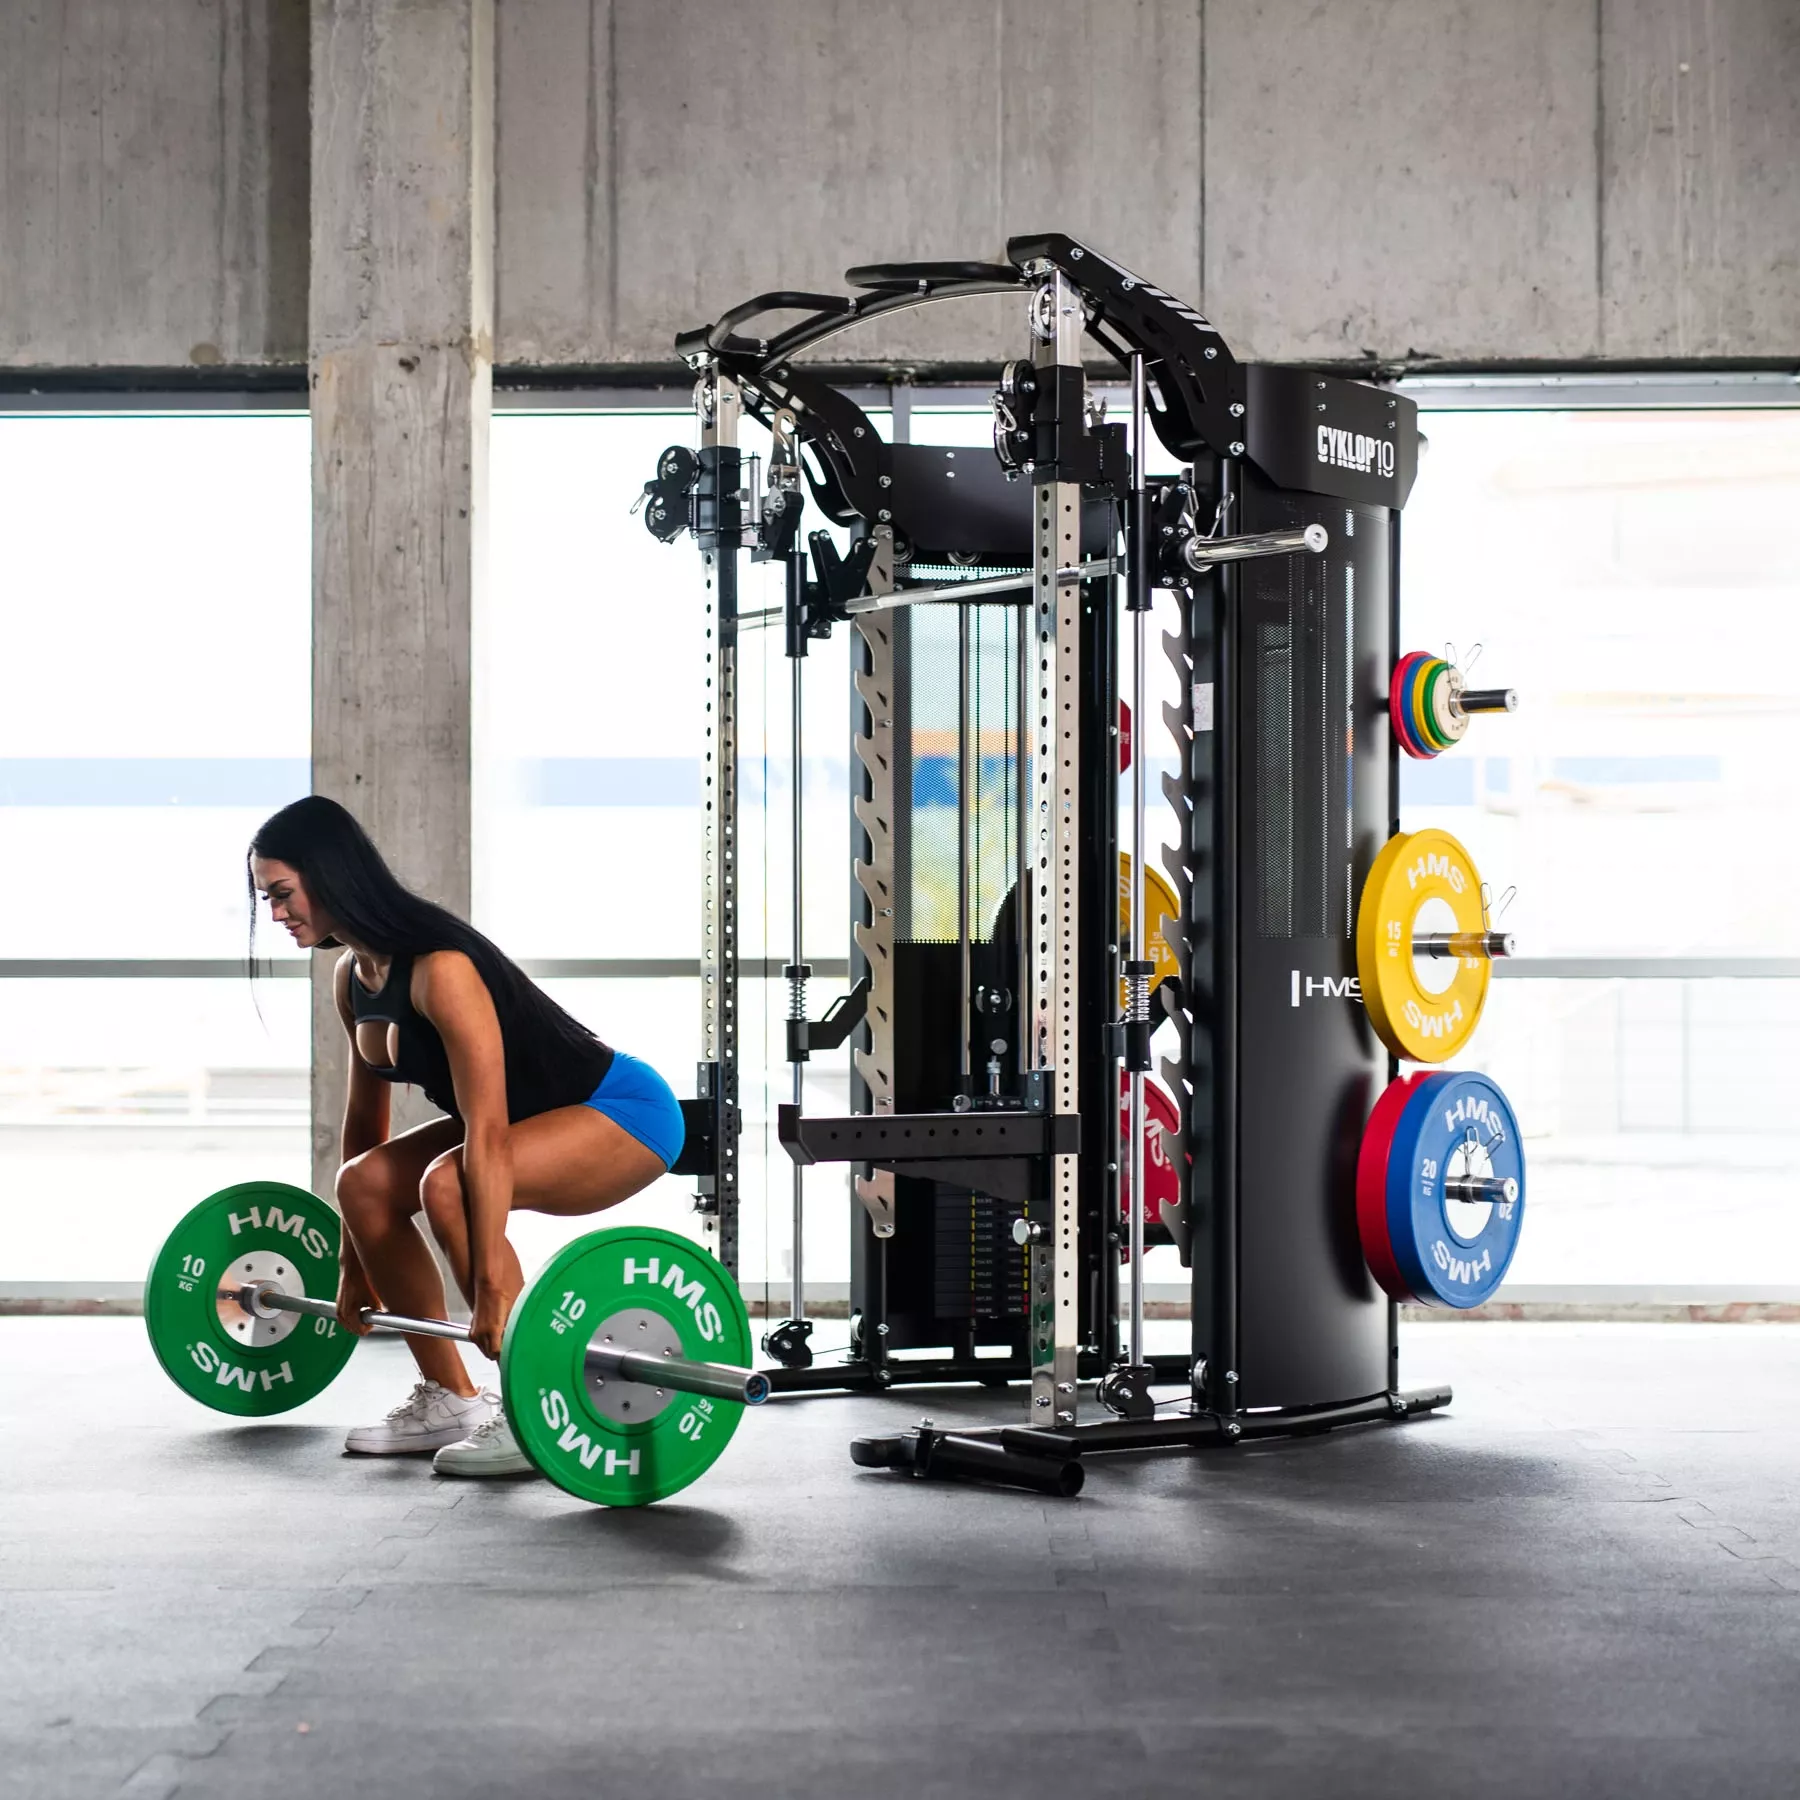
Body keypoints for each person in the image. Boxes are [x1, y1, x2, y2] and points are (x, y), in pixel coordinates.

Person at [246, 795, 683, 1478]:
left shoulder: (442, 969)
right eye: (266, 899)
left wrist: (491, 1290)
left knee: (447, 1184)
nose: (276, 914)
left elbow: (487, 1132)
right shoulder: (352, 979)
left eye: (282, 893)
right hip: (523, 1119)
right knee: (362, 1183)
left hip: (622, 1111)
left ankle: (538, 1405)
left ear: (328, 875)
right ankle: (451, 1398)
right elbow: (364, 1130)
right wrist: (352, 1264)